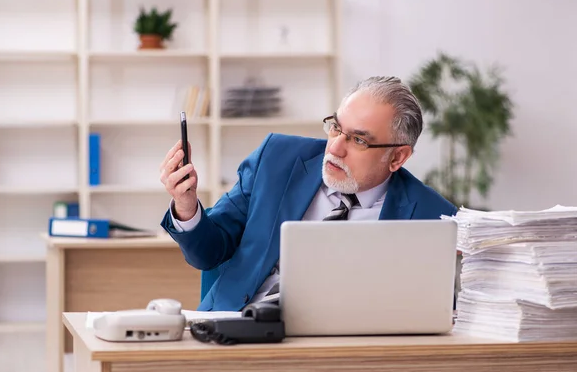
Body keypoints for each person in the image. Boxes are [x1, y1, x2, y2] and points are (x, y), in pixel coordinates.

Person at [160, 76, 457, 311]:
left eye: (358, 140)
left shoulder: (433, 216)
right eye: (336, 128)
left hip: (347, 354)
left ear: (397, 157)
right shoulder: (277, 158)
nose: (336, 148)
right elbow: (209, 251)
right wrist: (185, 205)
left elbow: (435, 310)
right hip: (239, 328)